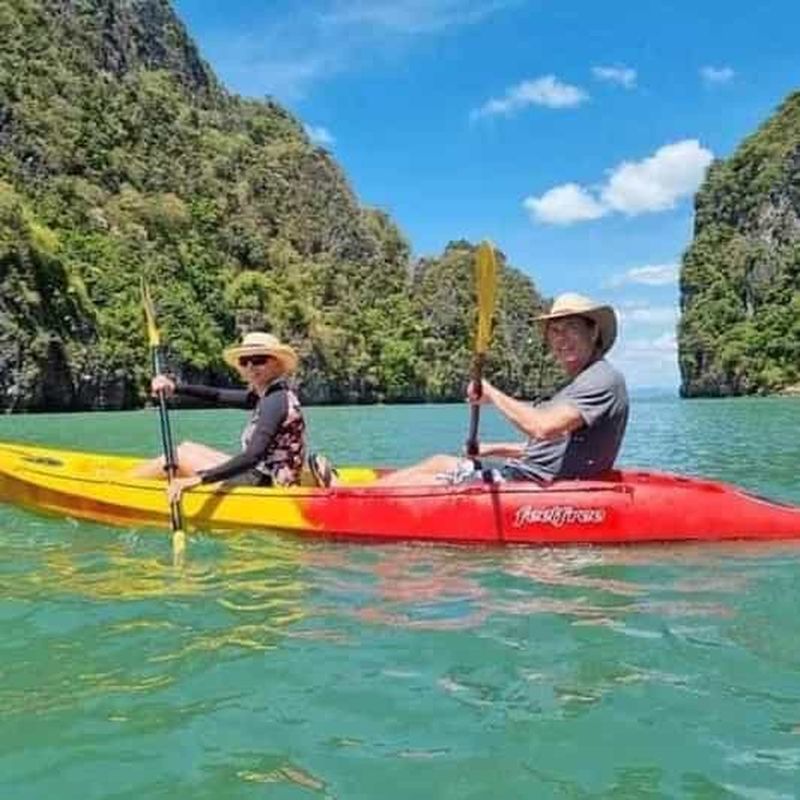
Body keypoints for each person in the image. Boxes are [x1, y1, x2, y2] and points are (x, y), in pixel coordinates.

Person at [310, 293, 628, 488]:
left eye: (571, 328)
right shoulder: (582, 382)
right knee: (438, 461)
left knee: (436, 478)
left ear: (594, 330)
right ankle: (355, 493)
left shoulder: (601, 379)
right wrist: (489, 449)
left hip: (531, 484)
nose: (561, 340)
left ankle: (346, 497)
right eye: (555, 332)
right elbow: (549, 449)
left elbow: (542, 428)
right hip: (526, 473)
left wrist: (490, 393)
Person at [133, 331, 307, 501]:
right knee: (188, 448)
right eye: (245, 361)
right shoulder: (268, 395)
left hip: (267, 484)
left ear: (277, 364)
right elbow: (217, 395)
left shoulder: (274, 401)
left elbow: (253, 456)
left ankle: (126, 487)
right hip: (262, 474)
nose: (250, 367)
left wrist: (200, 479)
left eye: (259, 360)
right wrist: (174, 387)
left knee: (179, 457)